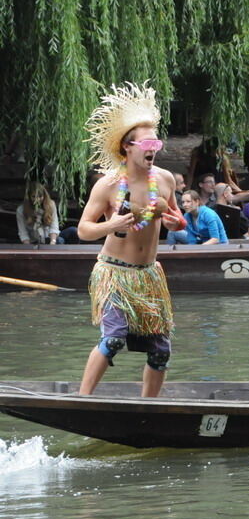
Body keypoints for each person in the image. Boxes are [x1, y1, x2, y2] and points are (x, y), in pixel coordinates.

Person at [77, 82, 185, 397]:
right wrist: (112, 224)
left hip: (149, 275)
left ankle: (148, 407)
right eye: (145, 142)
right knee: (113, 338)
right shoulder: (109, 185)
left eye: (156, 142)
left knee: (160, 349)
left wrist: (175, 221)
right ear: (128, 147)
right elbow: (84, 229)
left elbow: (178, 222)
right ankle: (83, 399)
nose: (152, 148)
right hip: (114, 272)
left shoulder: (164, 180)